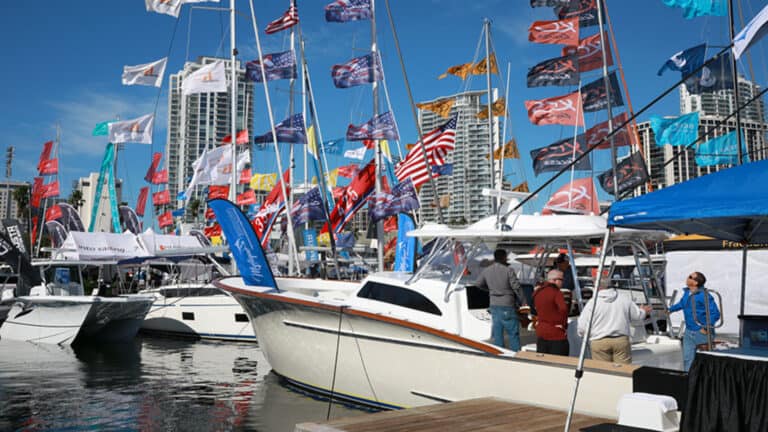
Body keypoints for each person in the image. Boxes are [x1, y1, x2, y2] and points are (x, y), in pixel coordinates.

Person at [577, 280, 651, 364]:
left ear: (597, 287)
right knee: (623, 373)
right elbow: (637, 316)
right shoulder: (624, 299)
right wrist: (643, 311)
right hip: (620, 341)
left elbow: (582, 327)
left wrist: (584, 336)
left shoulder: (592, 303)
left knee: (603, 373)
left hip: (599, 341)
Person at [476, 248, 528, 350]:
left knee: (498, 334)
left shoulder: (487, 270)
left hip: (494, 305)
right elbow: (516, 287)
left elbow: (478, 284)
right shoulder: (508, 270)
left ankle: (499, 355)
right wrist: (524, 302)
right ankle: (515, 354)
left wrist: (490, 289)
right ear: (504, 257)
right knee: (513, 333)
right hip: (507, 304)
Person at [668, 271, 720, 371]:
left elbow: (715, 313)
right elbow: (682, 304)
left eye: (690, 276)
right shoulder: (687, 293)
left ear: (695, 282)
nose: (687, 277)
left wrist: (706, 328)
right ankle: (688, 380)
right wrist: (670, 310)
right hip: (689, 332)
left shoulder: (704, 295)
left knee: (704, 362)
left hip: (702, 333)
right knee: (687, 359)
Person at [533, 269, 569, 355]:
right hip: (555, 333)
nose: (562, 282)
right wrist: (563, 324)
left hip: (541, 331)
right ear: (555, 280)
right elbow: (563, 309)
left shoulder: (538, 291)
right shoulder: (556, 292)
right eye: (562, 280)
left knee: (543, 362)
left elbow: (533, 308)